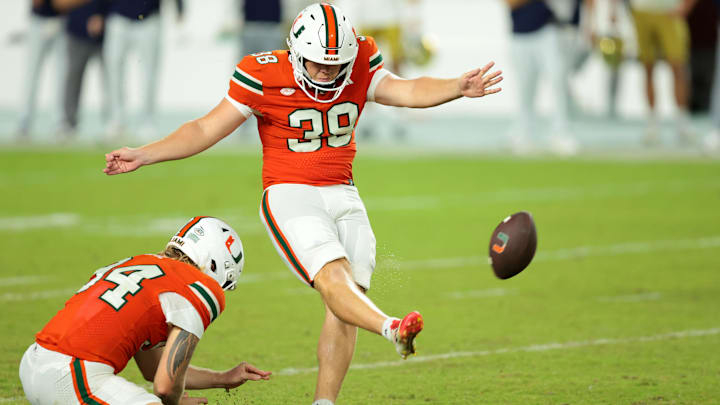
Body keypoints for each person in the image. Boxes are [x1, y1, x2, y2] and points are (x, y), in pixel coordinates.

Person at [103, 3, 502, 404]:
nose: (327, 72)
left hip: (343, 191)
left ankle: (324, 402)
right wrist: (145, 154)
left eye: (335, 64)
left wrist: (457, 87)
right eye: (316, 63)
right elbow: (206, 127)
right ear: (295, 52)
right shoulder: (263, 73)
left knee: (346, 301)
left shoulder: (361, 57)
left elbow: (406, 89)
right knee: (334, 278)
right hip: (289, 191)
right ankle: (391, 327)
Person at [19, 216, 271, 404]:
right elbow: (164, 386)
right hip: (73, 375)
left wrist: (222, 378)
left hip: (35, 362)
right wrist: (173, 400)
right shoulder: (200, 286)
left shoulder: (141, 264)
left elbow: (154, 370)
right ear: (216, 265)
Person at [505, 0, 579, 155]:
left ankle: (561, 133)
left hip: (548, 30)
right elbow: (510, 3)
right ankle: (524, 133)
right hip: (520, 34)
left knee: (558, 82)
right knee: (525, 88)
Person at [103, 0, 184, 141]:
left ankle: (147, 122)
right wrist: (98, 12)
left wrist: (180, 8)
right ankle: (116, 121)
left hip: (149, 18)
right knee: (113, 73)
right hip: (118, 17)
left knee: (149, 75)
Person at [626, 0, 697, 145]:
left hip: (669, 10)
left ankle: (682, 122)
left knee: (677, 67)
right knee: (647, 68)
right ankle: (652, 125)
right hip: (642, 9)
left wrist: (685, 6)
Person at [60, 0, 109, 141]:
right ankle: (68, 123)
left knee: (110, 83)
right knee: (73, 80)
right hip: (76, 31)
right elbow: (60, 4)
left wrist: (101, 16)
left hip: (106, 32)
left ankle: (112, 124)